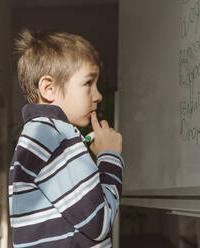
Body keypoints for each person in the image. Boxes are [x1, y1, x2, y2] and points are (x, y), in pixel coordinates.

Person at [9, 29, 125, 248]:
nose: (98, 95)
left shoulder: (42, 134)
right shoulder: (54, 136)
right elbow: (99, 222)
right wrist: (110, 157)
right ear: (49, 88)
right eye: (88, 83)